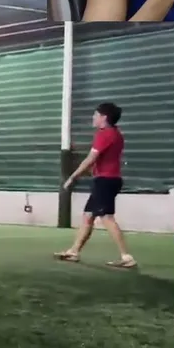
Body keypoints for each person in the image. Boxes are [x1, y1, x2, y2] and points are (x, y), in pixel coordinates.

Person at [55, 102, 137, 269]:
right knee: (88, 216)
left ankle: (126, 257)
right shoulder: (116, 134)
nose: (93, 118)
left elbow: (90, 159)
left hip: (106, 181)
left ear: (104, 117)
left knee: (106, 217)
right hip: (108, 180)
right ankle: (74, 251)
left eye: (96, 115)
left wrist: (72, 177)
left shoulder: (104, 134)